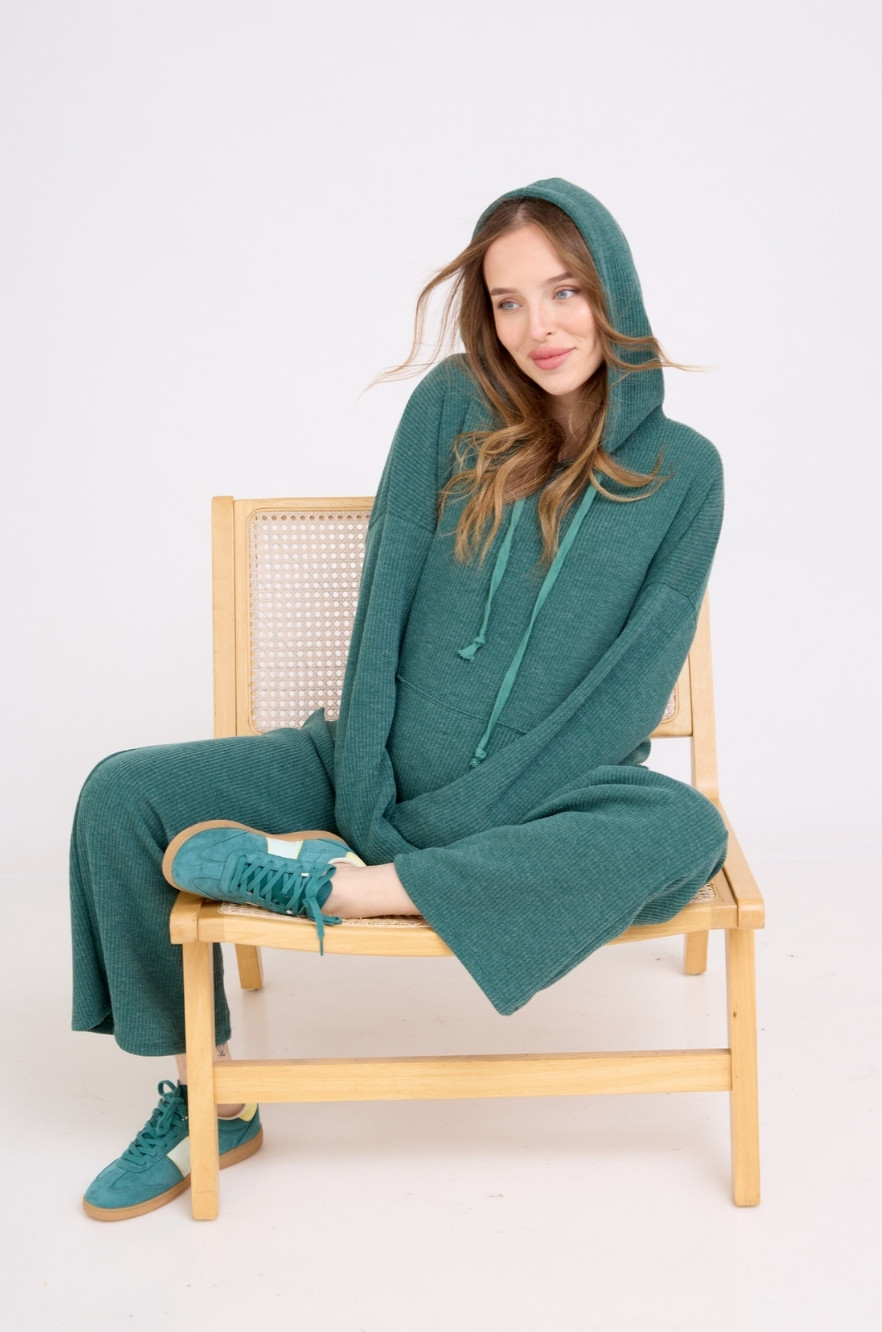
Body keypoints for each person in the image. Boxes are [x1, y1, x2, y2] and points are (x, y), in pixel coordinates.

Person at [71, 177, 728, 1221]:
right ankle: (210, 1097)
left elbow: (628, 696)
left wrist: (429, 837)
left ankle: (339, 893)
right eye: (508, 301)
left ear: (614, 289)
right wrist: (366, 793)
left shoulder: (685, 474)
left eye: (564, 290)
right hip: (366, 774)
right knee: (120, 795)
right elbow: (382, 612)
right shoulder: (452, 408)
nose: (539, 327)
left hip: (544, 809)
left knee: (685, 829)